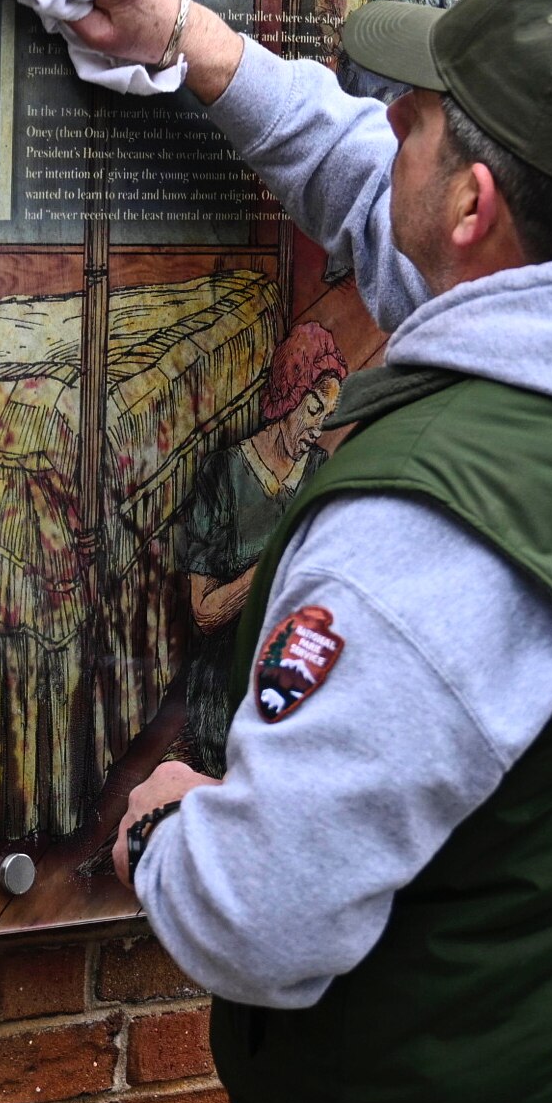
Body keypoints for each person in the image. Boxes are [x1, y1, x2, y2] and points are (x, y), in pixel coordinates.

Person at [18, 0, 552, 1103]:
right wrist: (186, 38)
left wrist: (162, 832)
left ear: (478, 205)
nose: (388, 130)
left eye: (418, 119)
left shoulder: (427, 538)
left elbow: (263, 914)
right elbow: (377, 191)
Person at [177, 322, 347, 775]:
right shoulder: (224, 476)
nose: (317, 428)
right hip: (229, 680)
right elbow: (205, 612)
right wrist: (272, 563)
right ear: (289, 395)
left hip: (295, 664)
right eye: (312, 410)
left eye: (325, 417)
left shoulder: (319, 471)